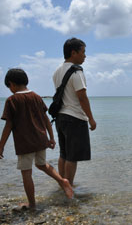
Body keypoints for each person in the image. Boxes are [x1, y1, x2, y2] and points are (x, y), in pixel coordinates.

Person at [0, 68, 73, 211]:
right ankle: (63, 181)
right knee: (41, 164)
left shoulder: (12, 100)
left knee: (26, 173)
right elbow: (46, 119)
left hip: (25, 143)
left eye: (9, 87)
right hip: (40, 140)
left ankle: (32, 204)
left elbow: (9, 125)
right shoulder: (36, 97)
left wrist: (0, 147)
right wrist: (51, 137)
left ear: (11, 84)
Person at [53, 37, 96, 186]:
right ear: (73, 53)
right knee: (72, 157)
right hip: (75, 118)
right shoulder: (76, 72)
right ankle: (69, 187)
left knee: (63, 154)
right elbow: (82, 97)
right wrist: (91, 118)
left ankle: (62, 184)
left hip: (60, 118)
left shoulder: (57, 71)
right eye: (83, 52)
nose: (85, 55)